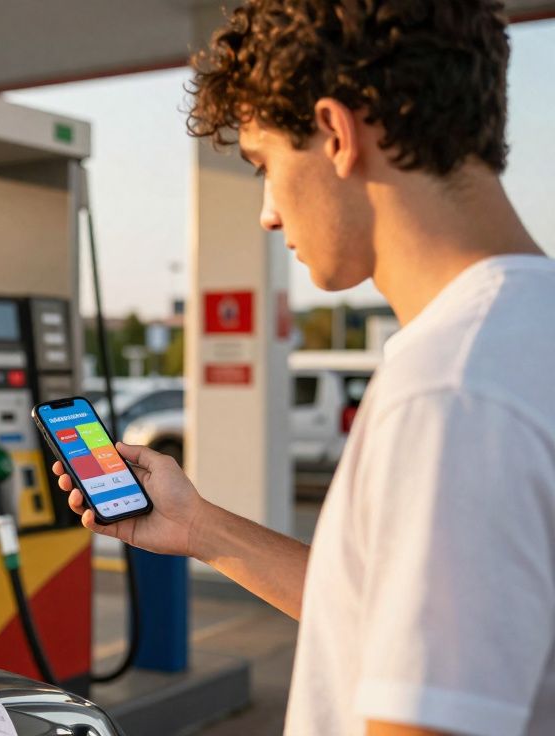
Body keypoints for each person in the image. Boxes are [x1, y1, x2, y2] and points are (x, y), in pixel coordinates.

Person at [54, 2, 555, 734]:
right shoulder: (522, 336)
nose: (267, 213)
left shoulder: (451, 390)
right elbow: (380, 609)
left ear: (335, 132)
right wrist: (203, 529)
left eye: (264, 165)